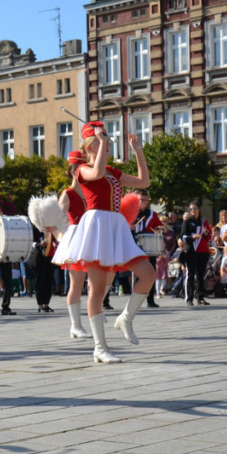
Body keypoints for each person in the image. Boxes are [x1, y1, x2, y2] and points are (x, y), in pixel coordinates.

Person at [61, 123, 154, 364]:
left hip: (116, 226)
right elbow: (97, 173)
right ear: (89, 146)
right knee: (97, 289)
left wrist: (138, 151)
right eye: (101, 141)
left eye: (108, 142)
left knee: (148, 274)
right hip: (97, 225)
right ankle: (99, 347)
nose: (108, 144)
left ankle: (126, 318)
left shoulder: (112, 170)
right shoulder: (82, 170)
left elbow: (144, 182)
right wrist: (101, 143)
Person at [52, 151, 90, 340]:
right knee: (77, 283)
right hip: (76, 239)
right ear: (75, 171)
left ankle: (95, 312)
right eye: (83, 169)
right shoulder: (67, 194)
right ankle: (75, 325)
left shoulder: (90, 193)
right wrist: (60, 237)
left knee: (104, 277)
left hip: (91, 237)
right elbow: (55, 220)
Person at [132, 190, 162, 308]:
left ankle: (150, 300)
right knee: (137, 274)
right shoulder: (132, 213)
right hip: (136, 246)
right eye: (140, 200)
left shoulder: (152, 214)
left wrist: (158, 230)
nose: (142, 202)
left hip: (150, 248)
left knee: (151, 273)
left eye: (144, 200)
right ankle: (135, 301)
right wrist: (131, 228)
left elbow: (158, 226)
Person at [182, 202, 213, 306]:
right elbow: (183, 237)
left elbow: (211, 237)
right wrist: (192, 237)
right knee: (190, 275)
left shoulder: (204, 222)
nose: (193, 211)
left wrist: (207, 234)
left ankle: (200, 297)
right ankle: (189, 298)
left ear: (199, 209)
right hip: (191, 251)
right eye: (191, 209)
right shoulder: (187, 222)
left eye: (195, 209)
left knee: (200, 276)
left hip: (203, 251)